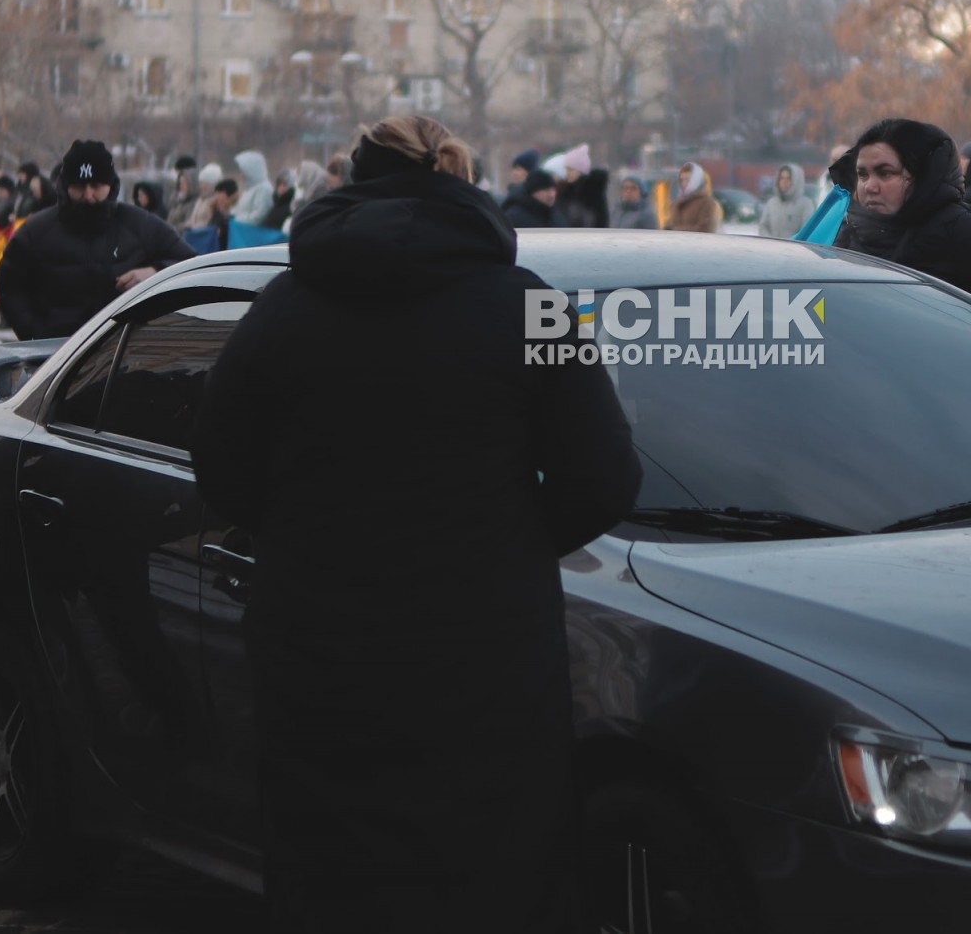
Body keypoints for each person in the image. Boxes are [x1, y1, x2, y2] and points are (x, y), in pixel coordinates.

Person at [193, 115, 640, 932]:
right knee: (495, 862)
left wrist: (303, 540)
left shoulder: (284, 306)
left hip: (319, 642)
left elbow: (221, 467)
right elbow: (605, 475)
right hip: (485, 649)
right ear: (460, 181)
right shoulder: (530, 305)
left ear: (353, 182)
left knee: (331, 864)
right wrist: (507, 544)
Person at [830, 118, 971, 332]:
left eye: (885, 173)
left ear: (920, 176)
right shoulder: (850, 232)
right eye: (862, 175)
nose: (869, 187)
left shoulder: (967, 231)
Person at [0, 140, 194, 341]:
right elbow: (7, 282)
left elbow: (191, 266)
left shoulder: (141, 225)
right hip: (57, 351)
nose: (88, 195)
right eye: (79, 186)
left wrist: (155, 272)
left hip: (125, 350)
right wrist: (35, 332)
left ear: (110, 185)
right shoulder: (36, 231)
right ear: (66, 185)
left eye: (96, 186)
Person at [551, 145, 610, 229]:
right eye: (566, 169)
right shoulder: (565, 192)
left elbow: (598, 221)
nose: (568, 173)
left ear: (581, 171)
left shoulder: (593, 193)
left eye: (571, 170)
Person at [758, 164, 814, 239]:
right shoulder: (771, 203)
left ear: (796, 181)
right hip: (771, 245)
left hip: (794, 245)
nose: (784, 182)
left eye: (788, 179)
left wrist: (791, 243)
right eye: (782, 178)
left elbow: (807, 231)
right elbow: (763, 227)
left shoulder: (806, 204)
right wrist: (770, 241)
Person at [668, 160, 722, 233]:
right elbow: (670, 226)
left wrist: (676, 231)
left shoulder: (707, 203)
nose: (684, 183)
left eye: (687, 179)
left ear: (696, 180)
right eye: (682, 180)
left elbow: (706, 229)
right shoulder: (676, 203)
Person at [232, 150, 274, 225]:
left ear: (251, 170)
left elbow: (259, 216)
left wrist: (236, 220)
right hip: (241, 229)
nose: (240, 174)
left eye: (243, 171)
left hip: (250, 231)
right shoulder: (249, 189)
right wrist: (231, 215)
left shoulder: (264, 189)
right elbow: (241, 210)